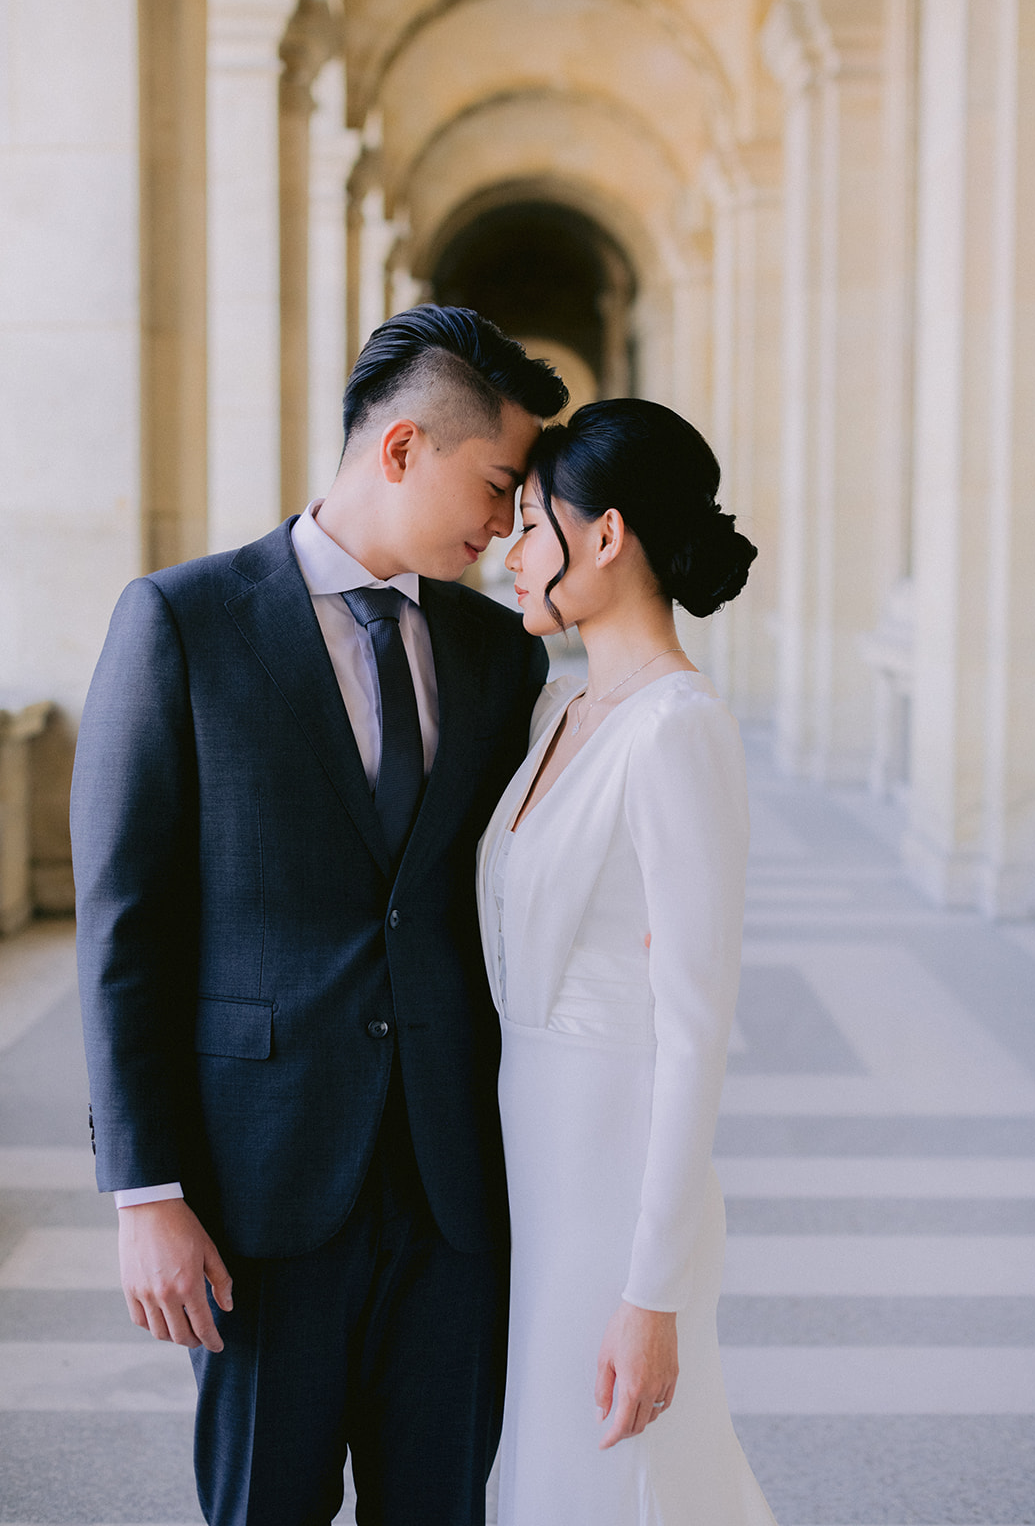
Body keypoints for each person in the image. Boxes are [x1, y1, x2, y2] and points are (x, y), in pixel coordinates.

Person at [71, 305, 568, 1526]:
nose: (507, 523)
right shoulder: (181, 621)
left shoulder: (500, 655)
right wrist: (146, 1194)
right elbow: (124, 923)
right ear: (401, 449)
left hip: (456, 1194)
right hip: (259, 1194)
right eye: (498, 482)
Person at [476, 399, 777, 1525]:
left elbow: (696, 1025)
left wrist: (651, 1292)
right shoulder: (558, 703)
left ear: (605, 536)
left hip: (617, 1172)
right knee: (545, 1470)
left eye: (531, 523)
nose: (512, 551)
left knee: (622, 1482)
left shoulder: (677, 727)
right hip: (531, 1156)